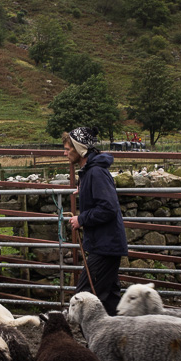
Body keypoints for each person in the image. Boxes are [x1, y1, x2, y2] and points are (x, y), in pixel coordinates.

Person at [62, 126, 128, 315]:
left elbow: (108, 207)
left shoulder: (96, 173)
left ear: (80, 149)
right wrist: (84, 192)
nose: (65, 153)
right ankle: (118, 339)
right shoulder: (90, 172)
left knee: (84, 297)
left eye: (68, 149)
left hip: (106, 246)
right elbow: (101, 199)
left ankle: (95, 342)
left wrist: (81, 219)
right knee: (108, 298)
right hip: (106, 244)